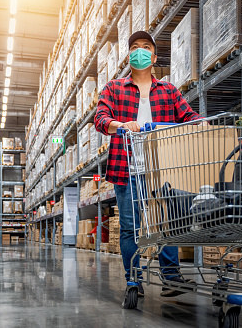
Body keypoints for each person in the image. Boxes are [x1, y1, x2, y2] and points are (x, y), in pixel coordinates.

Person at [94, 31, 205, 298]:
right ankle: (134, 279)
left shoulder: (168, 90)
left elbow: (187, 115)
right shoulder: (114, 88)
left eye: (146, 47)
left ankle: (171, 278)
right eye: (135, 47)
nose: (140, 51)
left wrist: (200, 122)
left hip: (162, 168)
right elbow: (100, 117)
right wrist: (119, 124)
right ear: (129, 55)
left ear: (154, 57)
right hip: (127, 169)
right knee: (130, 228)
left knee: (166, 223)